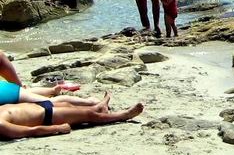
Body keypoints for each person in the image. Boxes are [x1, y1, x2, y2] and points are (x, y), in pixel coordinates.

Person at [0, 92, 144, 139]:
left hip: (41, 107)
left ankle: (100, 107)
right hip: (48, 117)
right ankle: (123, 115)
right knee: (89, 115)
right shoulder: (1, 125)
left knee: (71, 107)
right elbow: (29, 131)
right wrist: (58, 128)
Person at [1, 51, 99, 107]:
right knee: (22, 92)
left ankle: (90, 102)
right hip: (7, 89)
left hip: (6, 92)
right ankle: (51, 90)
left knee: (49, 103)